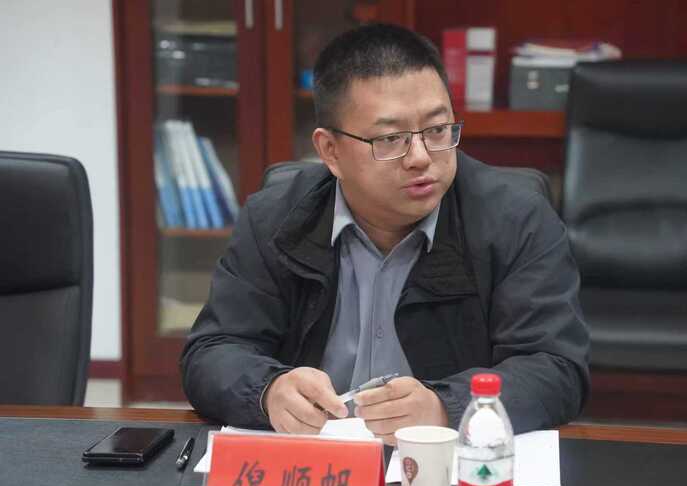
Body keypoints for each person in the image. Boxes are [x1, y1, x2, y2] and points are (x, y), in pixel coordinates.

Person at [180, 23, 590, 445]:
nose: (420, 157)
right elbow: (212, 351)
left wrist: (445, 407)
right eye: (391, 138)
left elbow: (555, 366)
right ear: (330, 151)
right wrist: (268, 391)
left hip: (441, 462)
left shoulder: (516, 218)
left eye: (437, 130)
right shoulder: (274, 218)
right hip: (316, 460)